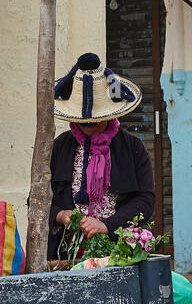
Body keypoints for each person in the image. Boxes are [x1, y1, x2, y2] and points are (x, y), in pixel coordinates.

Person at [49, 51, 156, 261]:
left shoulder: (133, 147)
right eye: (85, 121)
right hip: (65, 253)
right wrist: (61, 216)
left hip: (119, 251)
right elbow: (38, 199)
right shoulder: (60, 146)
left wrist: (106, 225)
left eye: (98, 120)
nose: (92, 125)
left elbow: (145, 200)